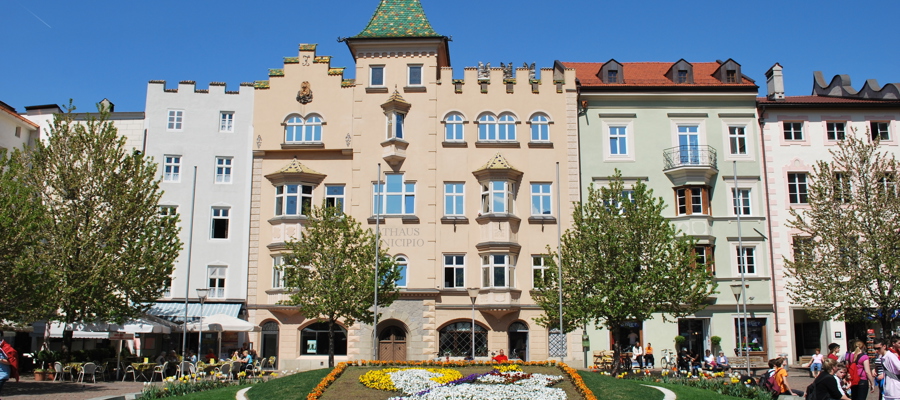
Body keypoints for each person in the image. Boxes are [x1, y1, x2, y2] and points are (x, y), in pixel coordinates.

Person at [884, 335, 900, 400]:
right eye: (899, 343)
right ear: (893, 343)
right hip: (892, 378)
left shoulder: (898, 352)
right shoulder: (890, 353)